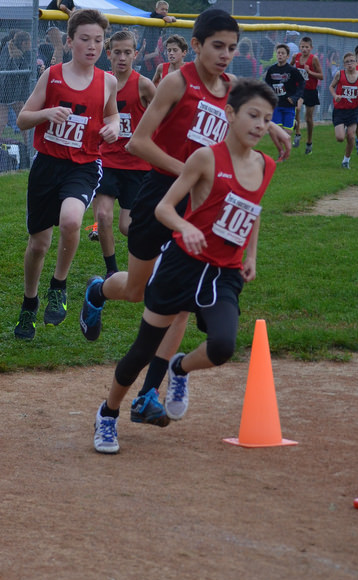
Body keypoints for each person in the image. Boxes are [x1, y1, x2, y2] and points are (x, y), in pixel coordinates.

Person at [79, 9, 291, 425]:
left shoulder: (232, 89)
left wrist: (276, 129)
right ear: (196, 46)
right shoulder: (178, 82)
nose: (226, 55)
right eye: (217, 46)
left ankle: (149, 394)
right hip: (160, 192)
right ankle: (99, 291)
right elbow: (139, 142)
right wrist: (195, 174)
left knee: (177, 301)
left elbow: (255, 105)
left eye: (232, 47)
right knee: (138, 291)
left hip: (197, 203)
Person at [93, 79, 278, 454]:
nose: (260, 125)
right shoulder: (206, 158)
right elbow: (164, 207)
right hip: (182, 264)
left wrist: (252, 256)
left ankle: (179, 369)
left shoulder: (265, 164)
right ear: (230, 114)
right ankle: (108, 412)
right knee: (142, 351)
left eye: (267, 119)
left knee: (223, 346)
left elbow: (253, 209)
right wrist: (185, 225)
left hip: (224, 272)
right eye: (253, 116)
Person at [13, 9, 119, 340]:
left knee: (73, 220)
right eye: (85, 39)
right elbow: (23, 118)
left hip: (84, 164)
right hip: (47, 164)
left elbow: (113, 116)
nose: (92, 47)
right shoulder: (53, 76)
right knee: (39, 244)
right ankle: (30, 303)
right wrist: (47, 113)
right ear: (70, 41)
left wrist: (113, 128)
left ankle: (59, 285)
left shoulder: (108, 82)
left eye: (98, 41)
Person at [87, 29, 155, 282]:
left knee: (128, 227)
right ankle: (111, 270)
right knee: (103, 216)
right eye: (117, 52)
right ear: (109, 54)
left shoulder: (144, 85)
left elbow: (163, 114)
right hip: (106, 161)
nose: (123, 58)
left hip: (137, 165)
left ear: (136, 54)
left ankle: (151, 264)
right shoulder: (101, 82)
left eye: (128, 52)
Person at [329, 52, 358, 169]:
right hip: (340, 110)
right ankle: (346, 132)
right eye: (347, 62)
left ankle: (346, 161)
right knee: (340, 138)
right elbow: (331, 87)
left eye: (352, 61)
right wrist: (335, 96)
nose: (350, 64)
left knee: (350, 136)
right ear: (344, 64)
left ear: (356, 63)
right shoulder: (339, 75)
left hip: (353, 110)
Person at [0, 30, 33, 138]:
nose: (31, 45)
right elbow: (25, 73)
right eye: (29, 42)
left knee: (2, 121)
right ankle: (28, 148)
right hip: (13, 92)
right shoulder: (16, 54)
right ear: (24, 43)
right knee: (23, 120)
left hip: (2, 90)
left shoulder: (8, 49)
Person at [263, 44, 305, 132]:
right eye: (278, 53)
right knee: (277, 131)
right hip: (277, 104)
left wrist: (295, 97)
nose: (280, 55)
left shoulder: (292, 70)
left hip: (289, 104)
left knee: (287, 133)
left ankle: (293, 123)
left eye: (283, 53)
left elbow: (302, 83)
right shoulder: (271, 70)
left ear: (287, 56)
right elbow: (267, 83)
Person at [292, 36, 323, 153]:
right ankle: (298, 133)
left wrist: (309, 72)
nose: (304, 49)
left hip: (311, 90)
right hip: (299, 89)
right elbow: (289, 68)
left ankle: (309, 142)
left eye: (306, 47)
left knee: (308, 119)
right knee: (297, 109)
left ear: (311, 48)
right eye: (302, 47)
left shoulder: (313, 59)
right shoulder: (296, 57)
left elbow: (321, 76)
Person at [138, 1, 176, 80]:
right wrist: (171, 18)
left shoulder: (159, 19)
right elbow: (168, 19)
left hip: (154, 56)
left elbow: (172, 19)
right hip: (149, 52)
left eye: (166, 10)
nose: (164, 11)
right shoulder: (155, 18)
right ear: (156, 9)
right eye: (162, 9)